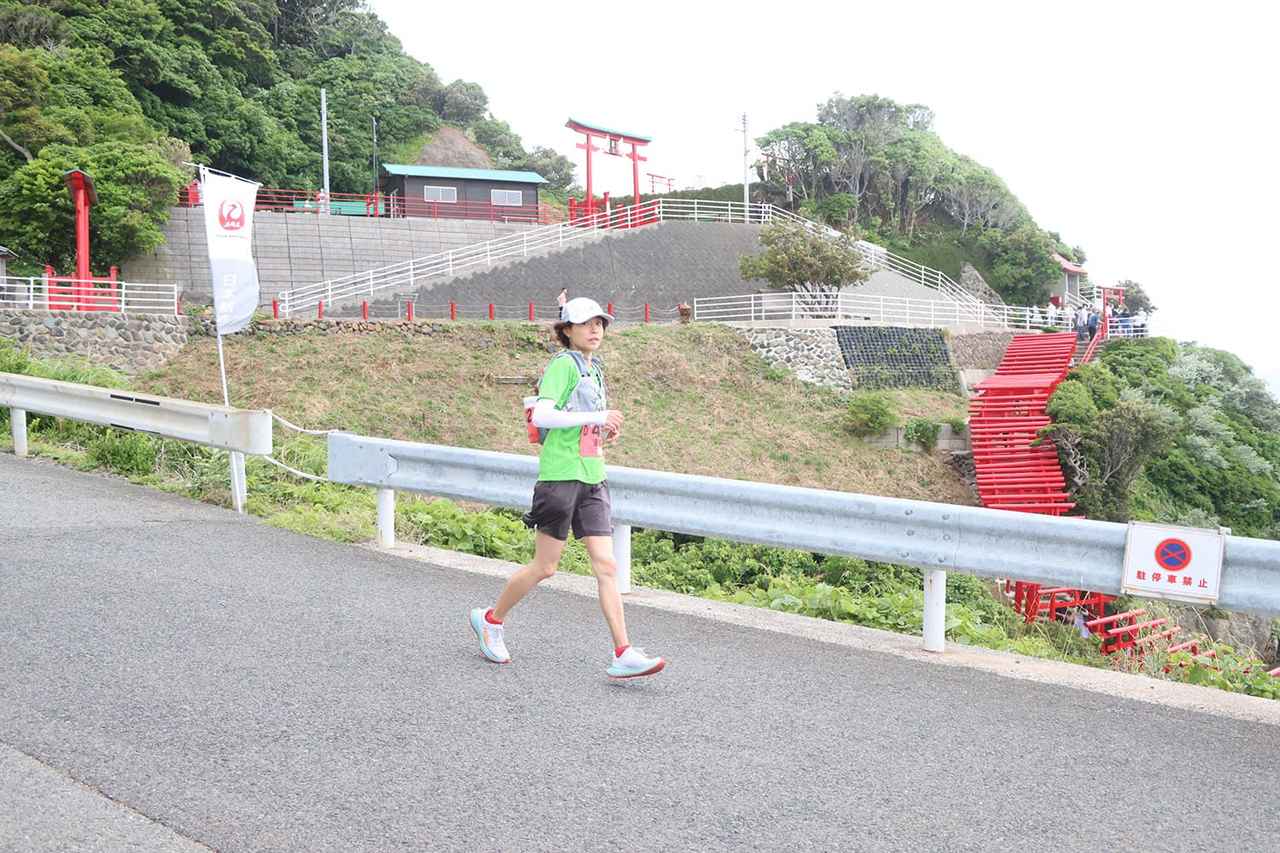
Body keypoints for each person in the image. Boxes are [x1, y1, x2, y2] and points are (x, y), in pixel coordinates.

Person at [469, 297, 666, 679]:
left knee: (607, 565)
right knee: (546, 566)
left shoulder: (595, 368)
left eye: (600, 323)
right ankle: (491, 620)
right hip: (560, 475)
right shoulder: (562, 365)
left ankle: (623, 652)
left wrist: (603, 428)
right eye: (586, 323)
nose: (595, 329)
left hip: (593, 475)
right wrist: (597, 415)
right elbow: (543, 413)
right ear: (567, 330)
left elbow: (581, 420)